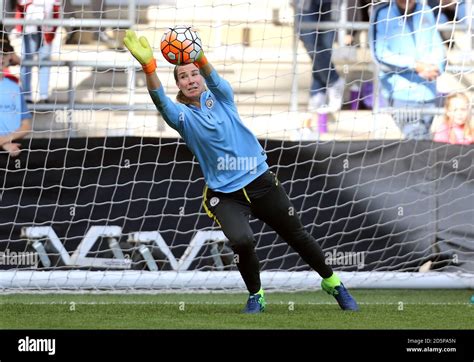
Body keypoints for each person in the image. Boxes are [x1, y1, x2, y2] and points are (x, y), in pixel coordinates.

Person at [123, 29, 359, 313]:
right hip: (225, 194)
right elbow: (160, 99)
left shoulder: (222, 96)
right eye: (183, 76)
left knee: (297, 236)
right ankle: (256, 295)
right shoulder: (182, 117)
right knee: (242, 240)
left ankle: (333, 283)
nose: (190, 79)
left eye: (193, 73)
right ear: (179, 85)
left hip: (260, 180)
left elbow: (213, 77)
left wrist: (200, 56)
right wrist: (149, 68)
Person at [372, 0, 446, 140]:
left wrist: (436, 67)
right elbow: (380, 53)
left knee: (423, 139)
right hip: (401, 93)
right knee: (417, 138)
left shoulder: (426, 11)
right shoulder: (383, 14)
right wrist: (414, 65)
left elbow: (437, 45)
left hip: (428, 91)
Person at [292, 0, 345, 112]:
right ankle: (334, 80)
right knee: (310, 42)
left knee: (325, 47)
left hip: (331, 3)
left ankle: (317, 93)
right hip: (305, 3)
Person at [16, 0, 61, 103]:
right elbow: (20, 7)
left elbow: (56, 9)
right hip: (29, 29)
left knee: (44, 62)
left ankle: (43, 96)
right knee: (27, 61)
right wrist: (18, 27)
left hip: (47, 30)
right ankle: (26, 95)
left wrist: (53, 30)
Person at [0, 35, 32, 157]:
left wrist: (7, 140)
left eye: (5, 53)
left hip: (15, 147)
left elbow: (26, 125)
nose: (1, 57)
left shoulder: (15, 87)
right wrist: (4, 144)